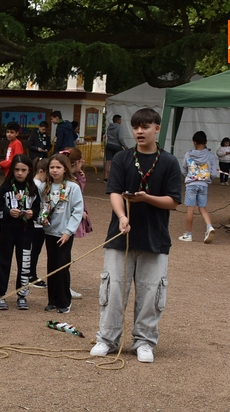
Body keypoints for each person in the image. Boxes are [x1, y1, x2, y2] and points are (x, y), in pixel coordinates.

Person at [90, 107, 182, 364]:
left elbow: (173, 200)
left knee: (151, 292)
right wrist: (121, 216)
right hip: (121, 236)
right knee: (114, 288)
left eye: (145, 126)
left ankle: (144, 341)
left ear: (157, 128)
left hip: (156, 238)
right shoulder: (121, 157)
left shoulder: (169, 161)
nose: (140, 131)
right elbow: (115, 191)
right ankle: (107, 339)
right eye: (136, 127)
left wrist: (146, 198)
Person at [0, 154, 38, 310]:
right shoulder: (5, 188)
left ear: (29, 171)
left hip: (26, 231)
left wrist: (33, 213)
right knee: (4, 261)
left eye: (23, 170)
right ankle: (1, 295)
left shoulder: (33, 188)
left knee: (25, 262)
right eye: (17, 170)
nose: (19, 173)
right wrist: (7, 212)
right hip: (7, 230)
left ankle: (22, 295)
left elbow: (39, 209)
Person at [39, 154, 84, 313]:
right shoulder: (45, 187)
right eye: (52, 167)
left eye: (58, 167)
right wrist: (42, 218)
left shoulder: (73, 187)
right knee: (52, 265)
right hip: (49, 232)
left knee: (62, 266)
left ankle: (65, 301)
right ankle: (53, 299)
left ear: (65, 168)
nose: (55, 170)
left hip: (64, 233)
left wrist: (68, 231)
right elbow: (42, 206)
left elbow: (77, 211)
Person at [178, 131, 218, 244]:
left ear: (194, 142)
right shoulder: (210, 156)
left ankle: (188, 234)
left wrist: (188, 177)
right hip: (203, 184)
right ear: (206, 142)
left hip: (191, 184)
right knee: (203, 208)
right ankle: (209, 227)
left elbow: (184, 169)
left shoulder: (188, 154)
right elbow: (213, 173)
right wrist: (208, 180)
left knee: (190, 209)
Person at [64, 147, 90, 300]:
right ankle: (63, 286)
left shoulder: (75, 177)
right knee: (64, 255)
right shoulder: (69, 181)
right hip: (66, 219)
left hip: (71, 217)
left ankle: (63, 284)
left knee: (65, 254)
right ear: (78, 162)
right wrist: (79, 211)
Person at [28, 157, 50, 288]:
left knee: (34, 250)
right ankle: (31, 275)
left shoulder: (32, 183)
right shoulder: (39, 186)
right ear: (41, 171)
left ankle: (30, 274)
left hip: (37, 222)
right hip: (37, 223)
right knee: (34, 250)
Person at [104, 115, 127, 181]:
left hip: (109, 145)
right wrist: (124, 145)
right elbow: (120, 138)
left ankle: (106, 177)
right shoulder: (120, 127)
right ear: (118, 120)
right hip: (117, 146)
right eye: (120, 120)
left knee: (108, 161)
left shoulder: (109, 127)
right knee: (121, 160)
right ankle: (118, 177)